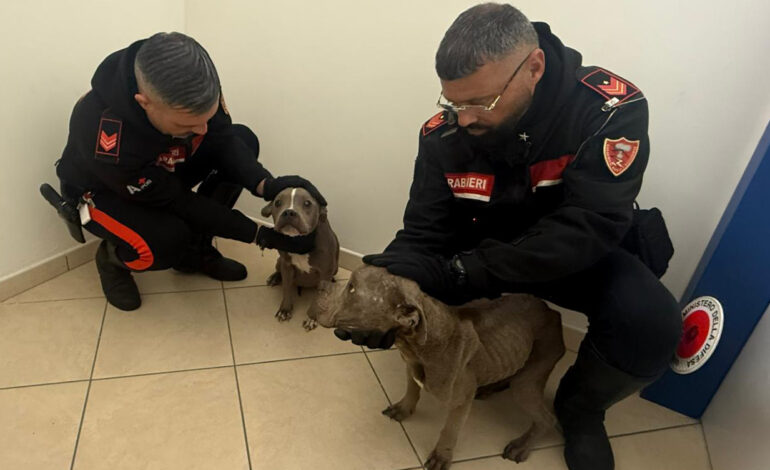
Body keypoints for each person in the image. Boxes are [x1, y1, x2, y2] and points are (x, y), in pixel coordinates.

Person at [334, 4, 681, 470]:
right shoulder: (443, 135)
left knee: (651, 323)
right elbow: (423, 229)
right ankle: (486, 364)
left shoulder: (607, 111)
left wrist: (462, 274)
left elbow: (589, 225)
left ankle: (580, 410)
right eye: (453, 103)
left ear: (533, 67)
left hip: (572, 257)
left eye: (482, 102)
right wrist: (383, 291)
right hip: (481, 251)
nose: (464, 118)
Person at [56, 32, 323, 311]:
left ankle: (196, 251)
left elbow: (221, 138)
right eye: (189, 125)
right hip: (103, 190)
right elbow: (177, 201)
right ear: (144, 101)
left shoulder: (195, 82)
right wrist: (258, 234)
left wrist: (265, 184)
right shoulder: (104, 129)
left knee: (243, 139)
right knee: (167, 240)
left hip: (158, 172)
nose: (202, 130)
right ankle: (112, 259)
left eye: (205, 118)